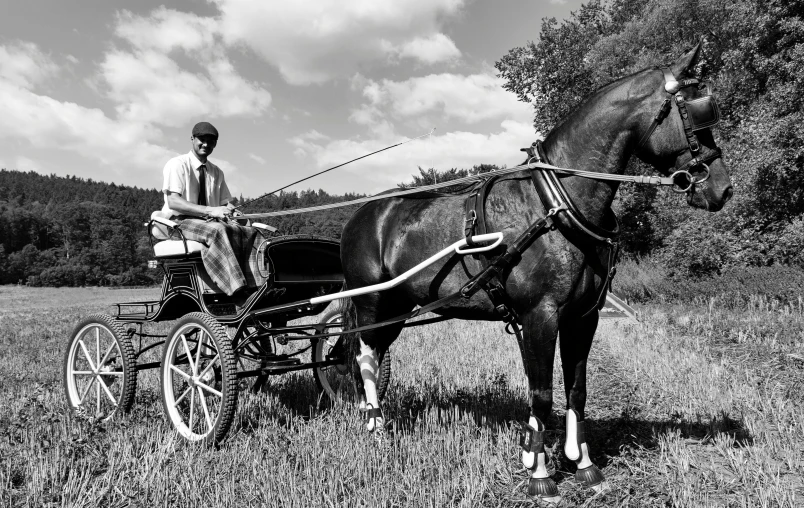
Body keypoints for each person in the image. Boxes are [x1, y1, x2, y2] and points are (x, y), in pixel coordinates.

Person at [160, 121, 266, 298]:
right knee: (218, 230)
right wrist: (211, 210)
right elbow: (173, 202)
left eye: (211, 141)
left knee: (251, 232)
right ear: (192, 139)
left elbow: (225, 205)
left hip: (206, 222)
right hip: (178, 222)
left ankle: (259, 287)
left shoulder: (216, 172)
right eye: (202, 139)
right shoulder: (177, 164)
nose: (206, 144)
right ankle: (237, 292)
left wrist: (234, 212)